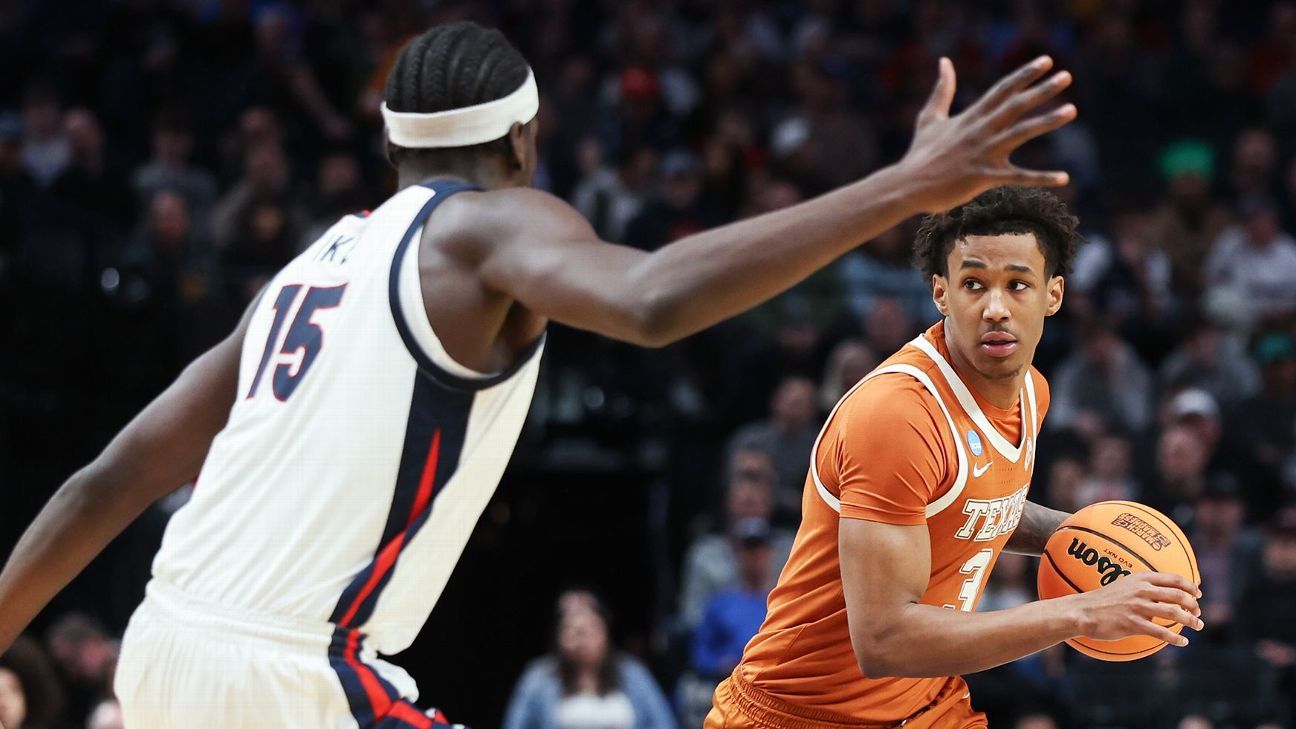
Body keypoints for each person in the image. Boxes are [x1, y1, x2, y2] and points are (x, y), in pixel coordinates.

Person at [0, 20, 1081, 729]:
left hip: (159, 647)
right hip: (294, 677)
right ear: (523, 139)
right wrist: (903, 188)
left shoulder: (306, 272)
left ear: (393, 147)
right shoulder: (486, 227)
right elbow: (651, 299)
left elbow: (102, 483)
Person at [707, 187, 1203, 728]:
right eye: (974, 284)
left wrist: (1094, 546)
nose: (995, 308)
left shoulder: (1031, 391)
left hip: (927, 704)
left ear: (1053, 294)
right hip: (803, 713)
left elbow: (971, 505)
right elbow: (884, 640)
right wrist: (1081, 611)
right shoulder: (898, 416)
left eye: (1017, 285)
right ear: (941, 293)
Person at [501, 591, 674, 729]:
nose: (582, 640)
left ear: (605, 633)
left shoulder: (632, 672)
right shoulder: (539, 677)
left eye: (590, 629)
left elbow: (663, 723)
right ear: (558, 637)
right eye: (573, 631)